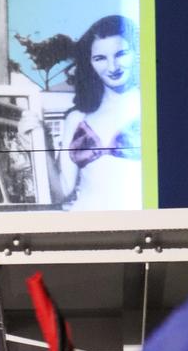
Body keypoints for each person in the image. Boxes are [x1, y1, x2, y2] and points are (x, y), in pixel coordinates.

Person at [59, 14, 142, 211]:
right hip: (84, 228)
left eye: (121, 54)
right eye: (100, 58)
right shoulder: (77, 118)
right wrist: (35, 135)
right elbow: (62, 190)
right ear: (89, 63)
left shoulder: (154, 108)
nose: (113, 67)